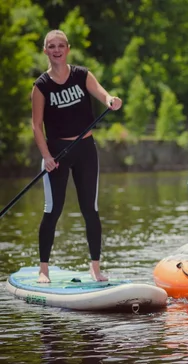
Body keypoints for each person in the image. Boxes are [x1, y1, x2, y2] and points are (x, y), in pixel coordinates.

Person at [31, 30, 123, 283]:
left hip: (85, 150)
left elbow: (103, 94)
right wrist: (47, 156)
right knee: (53, 210)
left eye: (61, 45)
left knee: (90, 209)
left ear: (68, 49)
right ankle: (43, 269)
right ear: (45, 50)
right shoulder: (41, 86)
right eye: (52, 46)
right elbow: (36, 126)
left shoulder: (82, 75)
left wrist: (110, 100)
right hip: (57, 154)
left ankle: (95, 267)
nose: (57, 49)